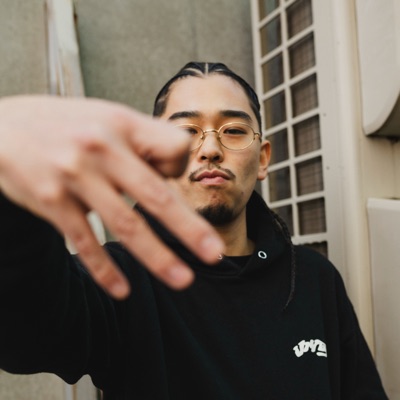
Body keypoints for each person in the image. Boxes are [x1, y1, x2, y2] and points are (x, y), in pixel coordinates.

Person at [0, 62, 387, 399]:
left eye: (233, 130)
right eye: (186, 130)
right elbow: (25, 336)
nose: (210, 149)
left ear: (263, 158)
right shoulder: (119, 277)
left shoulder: (314, 278)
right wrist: (13, 183)